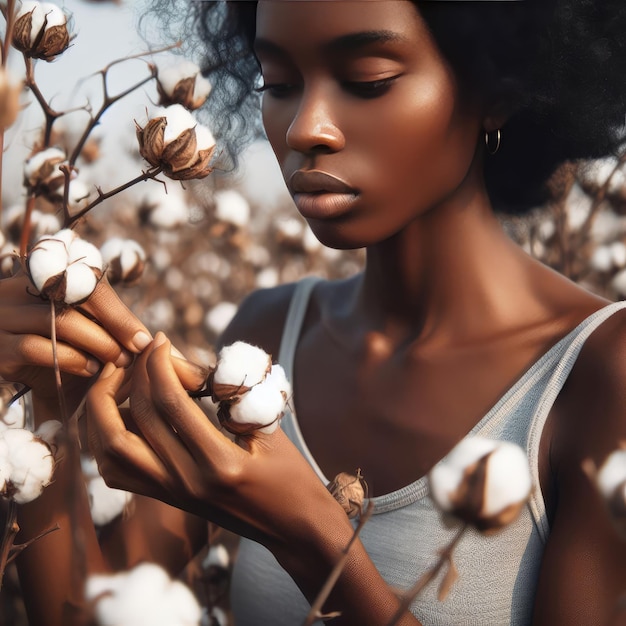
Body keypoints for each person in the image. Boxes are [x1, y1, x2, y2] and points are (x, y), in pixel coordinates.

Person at [2, 1, 626, 624]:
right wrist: (50, 403)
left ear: (498, 89)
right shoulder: (269, 332)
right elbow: (80, 614)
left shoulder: (601, 376)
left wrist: (313, 539)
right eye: (278, 84)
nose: (305, 127)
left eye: (367, 81)